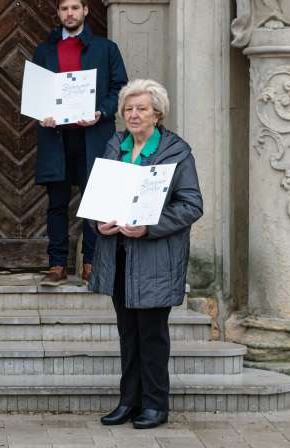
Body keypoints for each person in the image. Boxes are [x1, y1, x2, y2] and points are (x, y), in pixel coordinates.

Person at [89, 79, 203, 429]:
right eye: (128, 109)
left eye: (141, 108)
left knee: (151, 335)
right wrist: (98, 224)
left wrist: (149, 226)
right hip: (119, 256)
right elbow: (99, 197)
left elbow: (191, 205)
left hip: (155, 258)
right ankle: (129, 401)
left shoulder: (176, 151)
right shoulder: (115, 145)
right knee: (128, 334)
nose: (133, 115)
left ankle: (154, 404)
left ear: (158, 113)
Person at [32, 0, 127, 285]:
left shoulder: (105, 48)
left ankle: (91, 263)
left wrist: (101, 112)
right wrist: (41, 113)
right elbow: (36, 92)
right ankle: (57, 264)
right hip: (56, 137)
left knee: (95, 201)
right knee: (57, 203)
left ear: (85, 10)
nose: (69, 13)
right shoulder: (45, 50)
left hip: (94, 135)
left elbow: (119, 88)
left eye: (75, 8)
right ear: (58, 13)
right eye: (64, 9)